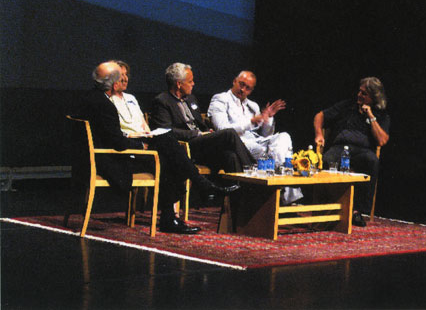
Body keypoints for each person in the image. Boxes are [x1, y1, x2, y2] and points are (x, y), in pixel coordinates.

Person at [78, 61, 239, 234]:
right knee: (168, 157)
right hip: (112, 160)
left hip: (105, 155)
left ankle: (196, 191)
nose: (124, 79)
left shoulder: (90, 98)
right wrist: (142, 145)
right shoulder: (105, 105)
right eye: (120, 77)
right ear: (114, 83)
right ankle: (186, 200)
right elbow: (117, 142)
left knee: (167, 145)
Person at [208, 70, 303, 205]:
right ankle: (287, 195)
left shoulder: (253, 106)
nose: (243, 89)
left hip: (257, 142)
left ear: (251, 90)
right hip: (238, 144)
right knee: (274, 153)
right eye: (241, 84)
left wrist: (268, 117)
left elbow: (266, 135)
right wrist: (251, 121)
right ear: (234, 81)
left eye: (248, 88)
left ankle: (281, 189)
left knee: (284, 137)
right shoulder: (220, 99)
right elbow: (223, 129)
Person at [149, 63, 255, 174]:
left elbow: (199, 123)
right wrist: (197, 133)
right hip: (186, 146)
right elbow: (166, 131)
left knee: (230, 156)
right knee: (229, 133)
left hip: (201, 144)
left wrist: (207, 131)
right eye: (190, 81)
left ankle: (242, 190)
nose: (193, 84)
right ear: (179, 84)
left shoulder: (191, 99)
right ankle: (254, 170)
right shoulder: (162, 101)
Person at [313, 77, 390, 227]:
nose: (359, 95)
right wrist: (319, 134)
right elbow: (319, 116)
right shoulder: (347, 106)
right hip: (340, 147)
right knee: (328, 160)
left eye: (364, 94)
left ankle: (357, 211)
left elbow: (381, 141)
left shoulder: (381, 115)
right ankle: (330, 208)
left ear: (374, 97)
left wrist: (371, 116)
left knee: (372, 161)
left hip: (363, 151)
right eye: (359, 91)